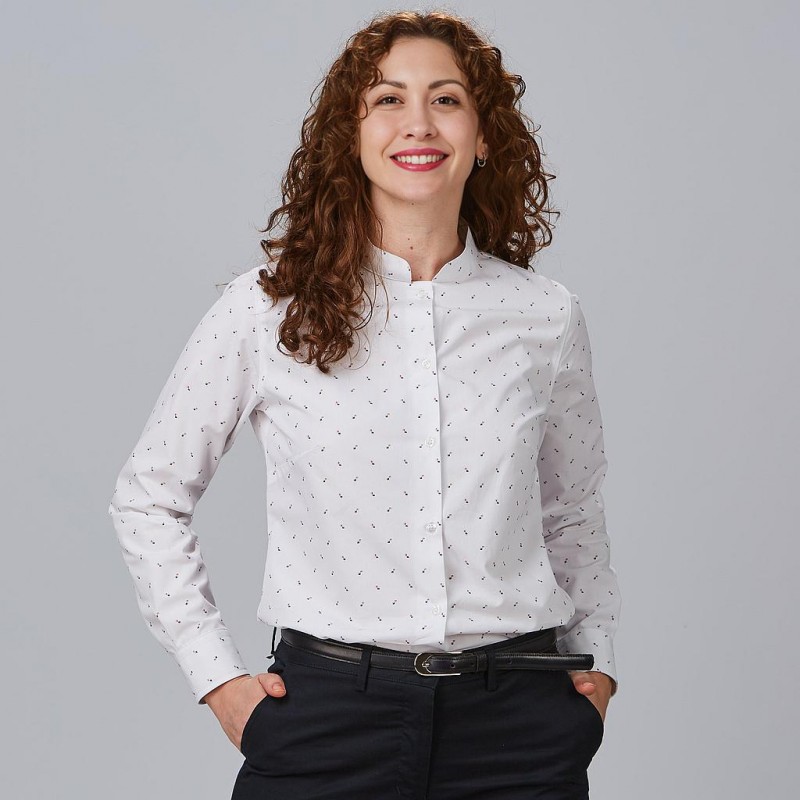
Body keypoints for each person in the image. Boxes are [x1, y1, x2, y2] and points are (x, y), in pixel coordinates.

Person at [108, 10, 620, 799]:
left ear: (485, 135)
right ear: (351, 135)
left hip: (517, 730)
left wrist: (599, 667)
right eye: (388, 100)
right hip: (328, 721)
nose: (419, 123)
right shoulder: (266, 309)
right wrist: (219, 679)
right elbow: (149, 497)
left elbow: (574, 513)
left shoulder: (545, 316)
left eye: (446, 99)